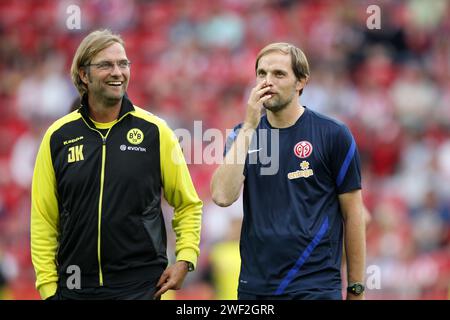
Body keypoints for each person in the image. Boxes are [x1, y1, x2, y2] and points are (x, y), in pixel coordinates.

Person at [31, 29, 202, 300]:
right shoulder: (57, 137)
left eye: (123, 64)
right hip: (75, 287)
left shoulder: (156, 132)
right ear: (84, 75)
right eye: (106, 65)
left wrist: (185, 258)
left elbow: (187, 204)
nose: (117, 72)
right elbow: (43, 219)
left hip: (142, 286)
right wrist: (49, 289)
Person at [211, 42, 366, 300]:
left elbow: (354, 214)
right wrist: (249, 126)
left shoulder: (333, 134)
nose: (267, 81)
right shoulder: (243, 135)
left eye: (279, 74)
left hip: (314, 286)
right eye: (262, 74)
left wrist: (356, 288)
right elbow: (222, 197)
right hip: (256, 287)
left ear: (301, 82)